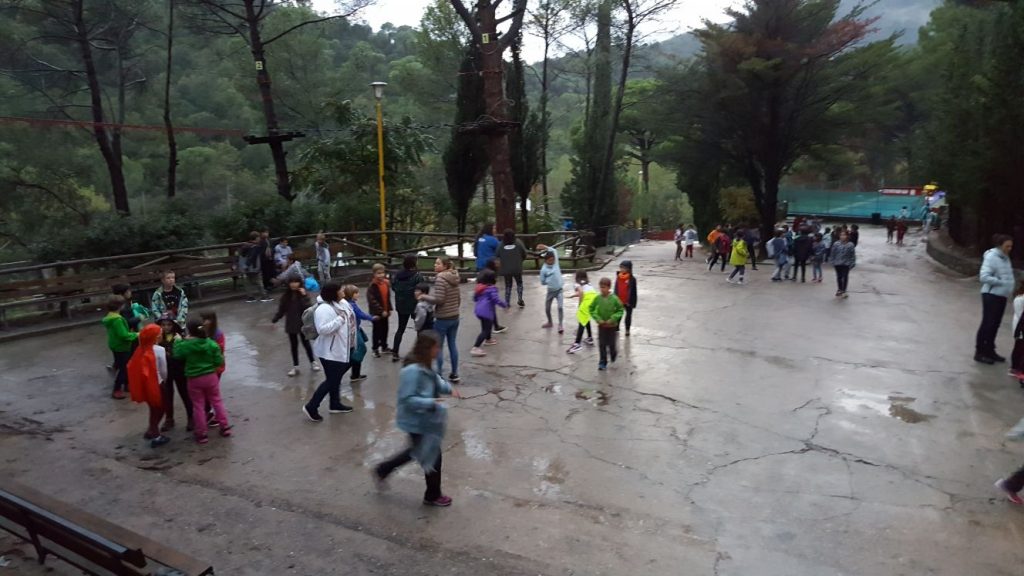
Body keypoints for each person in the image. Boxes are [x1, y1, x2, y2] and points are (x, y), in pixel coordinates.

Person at [372, 331, 462, 507]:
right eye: (436, 347)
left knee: (418, 452)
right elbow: (407, 399)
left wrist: (448, 389)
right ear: (427, 348)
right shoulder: (412, 371)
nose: (438, 350)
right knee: (431, 455)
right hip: (416, 421)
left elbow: (434, 380)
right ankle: (432, 495)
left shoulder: (425, 364)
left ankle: (383, 469)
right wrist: (431, 402)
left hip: (425, 419)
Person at [302, 281, 356, 421]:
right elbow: (322, 329)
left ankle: (335, 404)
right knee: (332, 380)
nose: (343, 292)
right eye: (340, 290)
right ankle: (311, 407)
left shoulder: (340, 303)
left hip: (341, 348)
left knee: (335, 379)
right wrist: (339, 320)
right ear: (334, 293)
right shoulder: (324, 309)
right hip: (330, 352)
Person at [173, 317, 230, 444]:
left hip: (194, 378)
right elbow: (219, 361)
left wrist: (178, 341)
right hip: (211, 377)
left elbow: (177, 354)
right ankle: (225, 427)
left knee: (198, 405)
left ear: (189, 331)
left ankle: (202, 433)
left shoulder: (186, 345)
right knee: (217, 401)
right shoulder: (211, 343)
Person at [418, 257, 461, 383]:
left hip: (443, 317)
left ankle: (439, 375)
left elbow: (439, 300)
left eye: (438, 263)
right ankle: (454, 373)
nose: (435, 265)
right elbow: (458, 298)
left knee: (439, 347)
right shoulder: (455, 277)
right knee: (452, 344)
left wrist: (424, 296)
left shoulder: (440, 279)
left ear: (445, 266)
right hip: (455, 316)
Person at [127, 324, 170, 447]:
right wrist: (164, 381)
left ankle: (151, 429)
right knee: (160, 409)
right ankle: (155, 434)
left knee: (153, 408)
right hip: (157, 384)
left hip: (146, 385)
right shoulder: (159, 350)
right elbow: (164, 371)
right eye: (160, 334)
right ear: (156, 337)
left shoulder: (140, 349)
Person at [975, 234, 1016, 364]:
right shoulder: (992, 257)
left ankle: (990, 350)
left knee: (995, 324)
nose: (1009, 249)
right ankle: (980, 352)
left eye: (1011, 246)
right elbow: (984, 277)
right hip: (991, 295)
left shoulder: (1005, 257)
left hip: (1001, 296)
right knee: (988, 323)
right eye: (1007, 246)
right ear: (1000, 245)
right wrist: (1001, 282)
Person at [272, 277, 321, 377]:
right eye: (292, 282)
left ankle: (313, 362)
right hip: (291, 324)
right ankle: (296, 366)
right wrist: (275, 319)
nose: (294, 284)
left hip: (302, 324)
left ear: (300, 283)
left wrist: (304, 296)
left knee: (306, 344)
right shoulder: (286, 297)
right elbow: (281, 310)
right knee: (293, 346)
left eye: (296, 282)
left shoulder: (303, 295)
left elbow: (309, 308)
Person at [156, 314, 192, 432]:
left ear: (174, 325)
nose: (166, 327)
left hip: (179, 370)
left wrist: (180, 342)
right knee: (167, 396)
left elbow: (185, 353)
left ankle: (191, 417)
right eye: (163, 325)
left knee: (185, 394)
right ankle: (169, 419)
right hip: (165, 371)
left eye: (169, 325)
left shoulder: (180, 336)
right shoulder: (158, 337)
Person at [103, 296, 138, 399]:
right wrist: (137, 334)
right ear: (120, 306)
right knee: (124, 369)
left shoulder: (109, 317)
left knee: (122, 365)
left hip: (115, 345)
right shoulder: (118, 319)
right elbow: (124, 335)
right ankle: (117, 389)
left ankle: (126, 384)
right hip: (122, 346)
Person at [392, 254, 425, 361]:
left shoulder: (397, 275)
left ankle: (395, 352)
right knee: (419, 328)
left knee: (400, 329)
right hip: (415, 305)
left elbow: (393, 287)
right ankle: (419, 352)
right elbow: (422, 290)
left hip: (401, 305)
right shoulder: (417, 276)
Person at [470, 269, 508, 357]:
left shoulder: (480, 288)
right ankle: (475, 347)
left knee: (485, 327)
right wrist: (505, 305)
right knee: (486, 329)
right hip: (487, 312)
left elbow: (474, 298)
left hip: (479, 310)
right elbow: (496, 299)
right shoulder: (492, 289)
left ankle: (488, 339)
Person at [590, 278, 625, 371]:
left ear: (609, 288)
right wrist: (598, 319)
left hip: (611, 326)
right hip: (601, 326)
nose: (602, 289)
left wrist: (613, 318)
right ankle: (602, 361)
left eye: (604, 287)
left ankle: (613, 353)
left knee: (611, 344)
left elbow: (620, 310)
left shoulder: (614, 299)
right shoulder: (597, 298)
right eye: (601, 287)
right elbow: (591, 309)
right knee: (602, 344)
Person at [343, 284, 372, 383]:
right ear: (351, 294)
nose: (358, 294)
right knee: (360, 350)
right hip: (354, 331)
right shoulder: (352, 305)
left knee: (357, 351)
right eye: (356, 293)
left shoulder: (349, 303)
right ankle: (341, 373)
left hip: (355, 329)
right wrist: (372, 318)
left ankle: (355, 374)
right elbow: (360, 314)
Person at [567, 270, 597, 354]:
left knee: (581, 320)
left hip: (587, 301)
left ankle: (577, 343)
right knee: (586, 318)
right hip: (594, 299)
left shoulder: (577, 284)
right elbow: (584, 292)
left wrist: (580, 304)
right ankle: (590, 338)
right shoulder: (588, 283)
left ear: (577, 277)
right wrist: (573, 295)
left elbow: (581, 292)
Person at [367, 263, 393, 358]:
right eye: (378, 273)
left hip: (385, 312)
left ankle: (384, 346)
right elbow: (372, 301)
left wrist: (389, 309)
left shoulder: (386, 283)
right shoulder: (372, 286)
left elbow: (388, 298)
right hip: (376, 313)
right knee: (377, 331)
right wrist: (381, 311)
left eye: (382, 273)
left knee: (385, 330)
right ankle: (375, 348)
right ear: (374, 274)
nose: (381, 275)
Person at [498, 229, 527, 308]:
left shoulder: (501, 244)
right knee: (519, 283)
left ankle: (507, 302)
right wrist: (520, 261)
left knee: (508, 285)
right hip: (517, 268)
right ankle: (520, 299)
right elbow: (524, 254)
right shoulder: (518, 242)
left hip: (506, 268)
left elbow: (497, 254)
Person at [538, 245, 564, 334]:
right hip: (550, 291)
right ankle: (550, 322)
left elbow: (554, 250)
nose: (552, 262)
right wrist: (548, 280)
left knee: (560, 307)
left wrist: (544, 247)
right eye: (550, 260)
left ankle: (560, 325)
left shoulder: (556, 263)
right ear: (545, 260)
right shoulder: (544, 270)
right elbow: (542, 282)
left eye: (553, 260)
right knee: (547, 308)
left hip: (559, 290)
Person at [239, 231, 269, 303]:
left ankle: (250, 297)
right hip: (254, 267)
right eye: (258, 237)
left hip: (245, 268)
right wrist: (247, 265)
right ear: (256, 238)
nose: (259, 239)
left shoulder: (245, 245)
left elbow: (240, 256)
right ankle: (264, 296)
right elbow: (252, 257)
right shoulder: (255, 247)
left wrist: (244, 266)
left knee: (248, 283)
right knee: (259, 281)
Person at [830, 230, 856, 299]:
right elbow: (833, 253)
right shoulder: (836, 244)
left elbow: (852, 255)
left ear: (847, 236)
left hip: (846, 263)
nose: (842, 236)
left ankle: (844, 290)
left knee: (845, 276)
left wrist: (852, 263)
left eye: (844, 235)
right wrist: (832, 261)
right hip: (837, 263)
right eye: (841, 235)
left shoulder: (850, 245)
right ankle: (839, 289)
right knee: (839, 277)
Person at [1010, 280, 1024, 381]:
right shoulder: (1020, 299)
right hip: (1020, 327)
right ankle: (1014, 368)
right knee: (1019, 347)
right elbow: (1020, 315)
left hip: (1020, 325)